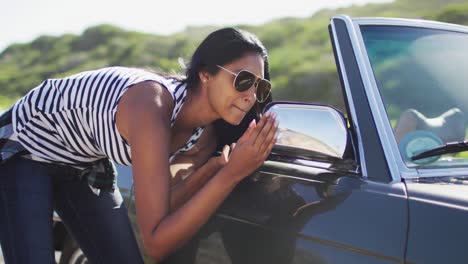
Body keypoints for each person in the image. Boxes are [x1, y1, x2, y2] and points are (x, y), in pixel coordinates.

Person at [0, 27, 277, 263]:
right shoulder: (150, 105)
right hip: (27, 145)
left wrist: (216, 168)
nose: (251, 96)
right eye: (243, 80)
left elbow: (165, 205)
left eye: (260, 87)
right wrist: (232, 174)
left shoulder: (205, 137)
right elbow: (157, 242)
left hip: (83, 162)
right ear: (205, 74)